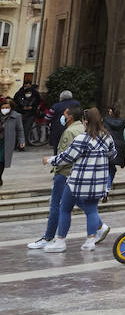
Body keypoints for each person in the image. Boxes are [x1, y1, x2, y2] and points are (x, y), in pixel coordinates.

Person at [42, 107, 115, 252]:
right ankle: (90, 241)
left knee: (65, 208)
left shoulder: (82, 138)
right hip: (98, 182)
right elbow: (112, 155)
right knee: (92, 211)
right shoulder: (107, 137)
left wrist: (50, 160)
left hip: (79, 181)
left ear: (85, 121)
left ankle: (60, 241)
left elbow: (67, 157)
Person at [26, 107, 82, 251]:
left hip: (64, 173)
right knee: (84, 205)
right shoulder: (82, 129)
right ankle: (99, 227)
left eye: (64, 113)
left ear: (69, 117)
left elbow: (66, 156)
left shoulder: (70, 131)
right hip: (76, 173)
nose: (62, 116)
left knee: (56, 205)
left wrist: (51, 160)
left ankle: (49, 237)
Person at [102, 106, 125, 192]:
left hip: (107, 146)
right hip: (119, 148)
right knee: (112, 168)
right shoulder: (124, 123)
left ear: (110, 112)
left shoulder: (104, 121)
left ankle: (106, 187)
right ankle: (107, 187)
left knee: (109, 167)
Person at [0, 97, 24, 186]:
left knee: (2, 160)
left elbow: (20, 129)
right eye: (3, 107)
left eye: (7, 107)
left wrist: (21, 141)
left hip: (6, 142)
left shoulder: (16, 116)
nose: (4, 109)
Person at [14, 77, 41, 144]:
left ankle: (23, 143)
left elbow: (37, 102)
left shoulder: (35, 93)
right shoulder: (19, 93)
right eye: (26, 86)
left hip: (30, 114)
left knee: (26, 129)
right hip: (21, 113)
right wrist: (22, 108)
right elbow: (15, 103)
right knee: (20, 129)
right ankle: (19, 142)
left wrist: (32, 108)